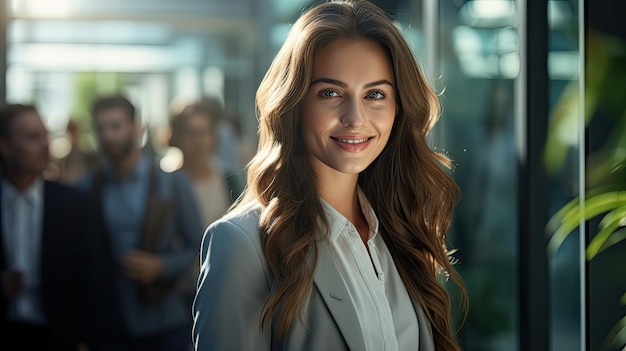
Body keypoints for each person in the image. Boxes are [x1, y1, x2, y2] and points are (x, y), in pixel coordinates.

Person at [192, 1, 468, 351]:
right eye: (331, 93)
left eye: (375, 95)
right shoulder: (242, 246)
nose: (355, 117)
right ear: (293, 104)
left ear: (398, 108)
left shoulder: (402, 234)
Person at [78, 95, 203, 351]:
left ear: (136, 127)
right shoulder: (88, 188)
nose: (108, 136)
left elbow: (199, 245)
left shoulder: (173, 183)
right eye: (101, 128)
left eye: (115, 126)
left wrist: (162, 265)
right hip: (110, 322)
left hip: (166, 319)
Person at [0, 103, 89, 350]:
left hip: (55, 337)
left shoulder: (74, 205)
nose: (45, 145)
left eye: (45, 135)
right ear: (5, 147)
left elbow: (91, 280)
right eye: (32, 137)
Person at [168, 102, 239, 228]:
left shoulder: (228, 179)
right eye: (191, 133)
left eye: (204, 132)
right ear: (177, 137)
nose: (198, 141)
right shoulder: (168, 180)